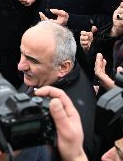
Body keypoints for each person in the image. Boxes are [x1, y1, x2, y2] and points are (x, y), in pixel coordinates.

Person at [17, 21, 97, 157]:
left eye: (33, 61)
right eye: (22, 53)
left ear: (63, 67)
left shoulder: (70, 125)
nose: (20, 65)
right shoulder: (50, 74)